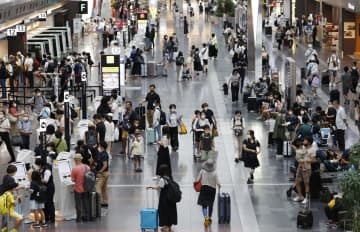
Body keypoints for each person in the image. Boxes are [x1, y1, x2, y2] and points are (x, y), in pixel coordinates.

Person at [147, 164, 177, 232]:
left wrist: (151, 187)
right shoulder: (170, 177)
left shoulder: (162, 179)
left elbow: (159, 187)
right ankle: (169, 226)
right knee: (170, 211)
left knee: (164, 211)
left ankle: (166, 227)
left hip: (165, 198)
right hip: (171, 198)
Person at [195, 159, 220, 227]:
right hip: (212, 190)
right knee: (210, 204)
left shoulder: (202, 171)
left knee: (204, 205)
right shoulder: (214, 173)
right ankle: (209, 218)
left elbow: (197, 180)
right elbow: (218, 183)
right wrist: (219, 186)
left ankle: (206, 218)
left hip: (204, 188)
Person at [71, 153, 90, 222]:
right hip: (86, 188)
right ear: (81, 159)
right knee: (86, 203)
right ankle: (87, 217)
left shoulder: (74, 169)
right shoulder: (87, 167)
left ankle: (79, 218)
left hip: (78, 189)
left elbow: (72, 180)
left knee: (78, 204)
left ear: (76, 160)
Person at [34, 158, 55, 223]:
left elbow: (46, 181)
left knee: (49, 203)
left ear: (40, 164)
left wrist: (39, 179)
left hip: (49, 189)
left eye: (37, 165)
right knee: (45, 203)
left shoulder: (47, 170)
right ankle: (46, 218)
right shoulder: (42, 168)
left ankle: (52, 219)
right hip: (44, 189)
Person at [94, 141, 109, 207]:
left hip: (103, 174)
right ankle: (105, 202)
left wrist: (99, 171)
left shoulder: (103, 154)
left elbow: (105, 165)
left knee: (98, 187)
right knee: (104, 188)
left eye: (99, 146)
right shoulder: (103, 153)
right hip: (105, 173)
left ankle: (98, 202)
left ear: (101, 146)